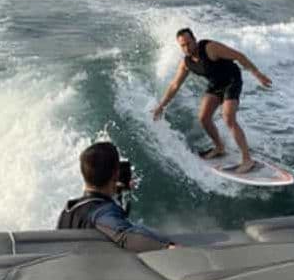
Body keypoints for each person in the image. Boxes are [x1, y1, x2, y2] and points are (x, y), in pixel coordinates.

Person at [152, 28, 272, 174]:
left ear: (194, 40)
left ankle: (247, 160)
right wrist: (161, 106)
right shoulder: (187, 63)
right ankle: (220, 147)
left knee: (228, 117)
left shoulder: (209, 48)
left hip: (231, 81)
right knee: (203, 117)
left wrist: (258, 74)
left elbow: (239, 56)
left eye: (189, 43)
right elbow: (174, 85)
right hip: (216, 86)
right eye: (182, 46)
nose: (187, 48)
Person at [57, 141, 174, 252]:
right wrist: (167, 247)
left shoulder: (68, 210)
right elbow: (124, 235)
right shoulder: (102, 212)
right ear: (115, 174)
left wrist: (115, 188)